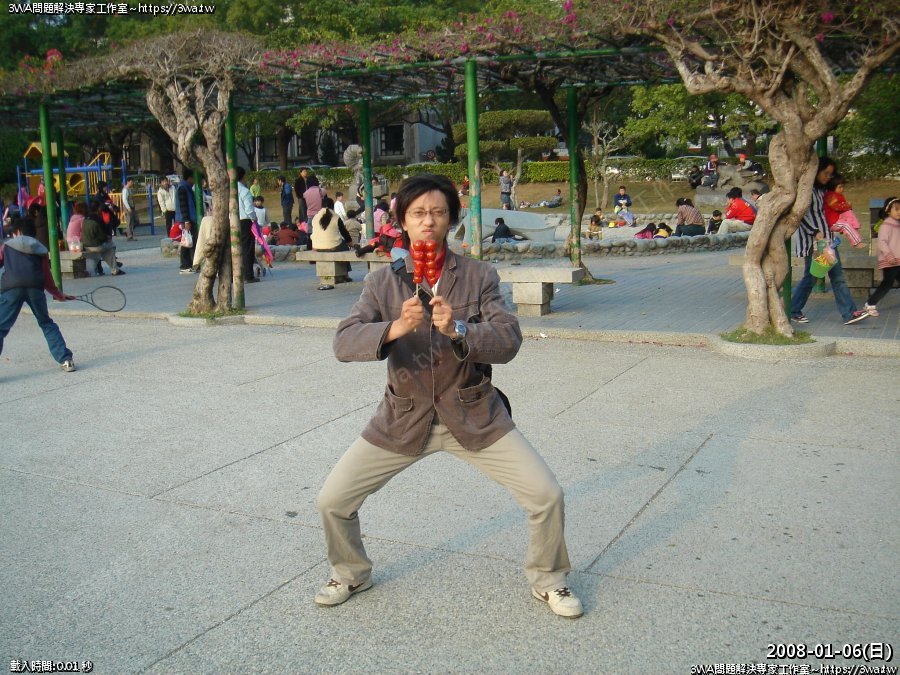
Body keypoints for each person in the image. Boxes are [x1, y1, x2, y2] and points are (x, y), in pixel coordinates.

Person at [317, 174, 583, 619]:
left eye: (438, 213)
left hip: (473, 414)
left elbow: (508, 339)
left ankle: (549, 578)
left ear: (450, 220)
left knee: (546, 494)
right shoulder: (383, 283)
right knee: (333, 501)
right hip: (403, 417)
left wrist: (459, 329)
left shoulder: (479, 276)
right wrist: (396, 327)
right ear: (403, 221)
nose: (428, 221)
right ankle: (350, 572)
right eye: (418, 213)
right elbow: (344, 342)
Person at [790, 156, 868, 326]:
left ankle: (849, 313)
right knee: (812, 277)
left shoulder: (823, 190)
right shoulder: (807, 190)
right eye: (825, 173)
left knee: (837, 276)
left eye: (830, 174)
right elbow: (801, 215)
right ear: (816, 170)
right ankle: (793, 309)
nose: (828, 177)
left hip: (828, 241)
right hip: (815, 243)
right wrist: (815, 232)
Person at [0, 217, 76, 372]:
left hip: (11, 288)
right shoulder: (40, 248)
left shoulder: (6, 246)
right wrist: (58, 294)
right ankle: (66, 360)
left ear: (17, 232)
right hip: (35, 288)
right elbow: (46, 276)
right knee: (46, 323)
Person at [862, 196, 900, 318]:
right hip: (889, 261)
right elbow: (882, 242)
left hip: (898, 260)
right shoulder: (886, 225)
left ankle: (870, 303)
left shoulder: (897, 225)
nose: (899, 212)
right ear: (888, 211)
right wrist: (889, 255)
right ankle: (870, 304)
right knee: (887, 284)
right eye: (896, 209)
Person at [82, 205, 125, 277]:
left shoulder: (85, 219)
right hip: (96, 246)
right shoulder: (97, 220)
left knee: (98, 253)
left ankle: (89, 271)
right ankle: (115, 270)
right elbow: (101, 236)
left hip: (86, 246)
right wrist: (107, 238)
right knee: (110, 247)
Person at [824, 174, 865, 248]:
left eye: (843, 187)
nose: (842, 189)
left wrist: (848, 207)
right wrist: (847, 205)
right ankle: (856, 242)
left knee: (849, 213)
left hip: (839, 219)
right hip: (833, 223)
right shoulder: (830, 196)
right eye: (840, 187)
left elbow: (844, 209)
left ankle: (854, 228)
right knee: (846, 225)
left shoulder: (839, 195)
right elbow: (836, 207)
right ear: (832, 187)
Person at [174, 171, 197, 274]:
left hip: (188, 219)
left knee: (189, 241)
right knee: (186, 242)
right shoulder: (183, 188)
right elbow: (183, 206)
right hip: (186, 220)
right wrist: (186, 220)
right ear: (190, 178)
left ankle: (190, 264)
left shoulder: (186, 187)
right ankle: (185, 265)